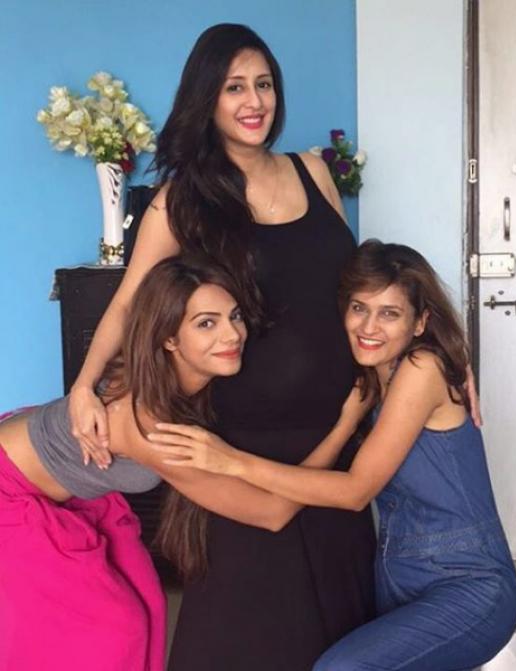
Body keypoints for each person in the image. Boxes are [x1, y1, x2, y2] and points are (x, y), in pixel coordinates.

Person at [66, 23, 379, 671]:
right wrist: (84, 386)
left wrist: (427, 358)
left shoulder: (313, 172)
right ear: (206, 97)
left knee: (343, 619)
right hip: (241, 439)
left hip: (336, 424)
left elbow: (356, 289)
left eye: (264, 84)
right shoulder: (183, 199)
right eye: (235, 87)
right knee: (251, 631)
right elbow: (128, 301)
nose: (253, 101)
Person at [150, 240, 516, 671]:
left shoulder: (422, 368)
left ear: (421, 322)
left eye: (390, 313)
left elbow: (355, 491)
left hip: (469, 582)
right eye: (359, 308)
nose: (369, 326)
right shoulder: (370, 371)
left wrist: (229, 461)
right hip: (399, 577)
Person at [0, 256, 367, 671]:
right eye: (206, 324)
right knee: (115, 628)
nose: (232, 334)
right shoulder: (151, 429)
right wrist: (344, 426)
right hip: (10, 492)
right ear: (170, 339)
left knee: (149, 602)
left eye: (234, 316)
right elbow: (272, 513)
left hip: (58, 479)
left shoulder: (166, 376)